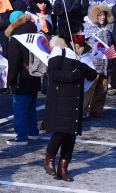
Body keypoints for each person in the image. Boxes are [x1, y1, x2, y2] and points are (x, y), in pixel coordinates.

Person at [44, 20, 98, 181]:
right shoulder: (59, 51)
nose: (81, 35)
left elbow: (92, 75)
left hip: (76, 98)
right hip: (61, 98)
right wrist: (74, 75)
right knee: (60, 132)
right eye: (78, 32)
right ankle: (49, 159)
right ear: (71, 34)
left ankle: (64, 167)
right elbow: (52, 74)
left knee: (71, 135)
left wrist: (81, 66)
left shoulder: (82, 52)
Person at [5, 12, 41, 145]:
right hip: (35, 75)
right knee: (31, 107)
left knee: (20, 107)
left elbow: (14, 62)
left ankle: (21, 136)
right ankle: (33, 132)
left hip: (21, 78)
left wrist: (10, 80)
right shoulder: (35, 33)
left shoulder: (15, 38)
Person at [84, 4, 114, 118]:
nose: (102, 17)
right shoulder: (87, 27)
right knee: (88, 90)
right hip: (93, 64)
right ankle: (81, 112)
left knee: (102, 90)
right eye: (99, 15)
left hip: (106, 63)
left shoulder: (108, 27)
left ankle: (96, 111)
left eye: (104, 15)